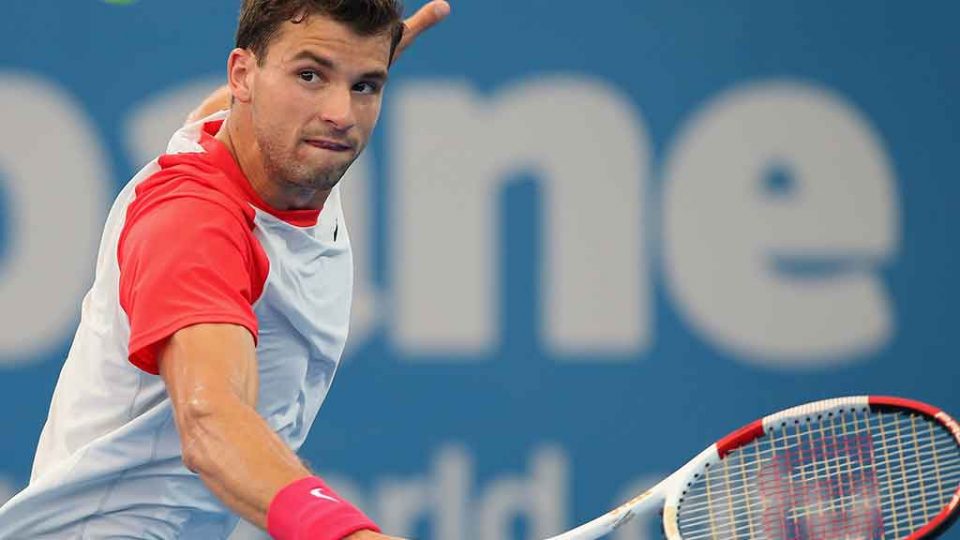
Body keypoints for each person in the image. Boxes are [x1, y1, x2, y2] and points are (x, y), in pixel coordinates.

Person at [0, 1, 449, 538]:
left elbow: (259, 101)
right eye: (310, 75)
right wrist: (348, 535)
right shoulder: (193, 225)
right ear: (242, 75)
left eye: (366, 87)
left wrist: (346, 63)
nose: (341, 113)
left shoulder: (244, 134)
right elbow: (211, 418)